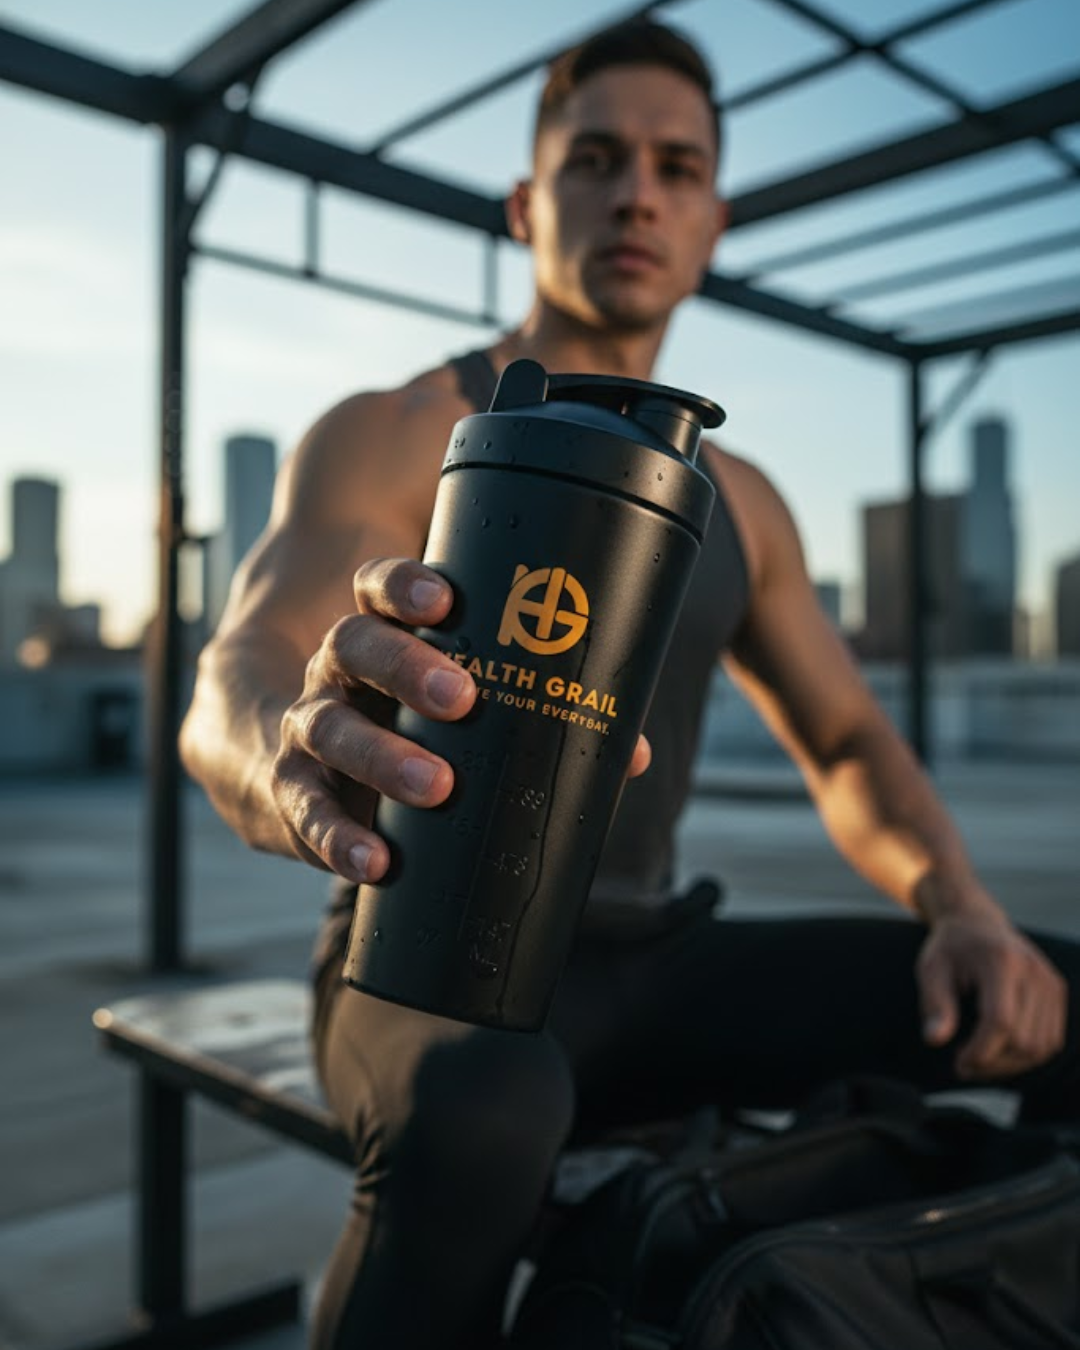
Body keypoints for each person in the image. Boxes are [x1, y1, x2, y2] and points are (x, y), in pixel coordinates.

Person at [180, 19, 1078, 1348]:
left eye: (675, 165)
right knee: (479, 1112)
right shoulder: (403, 432)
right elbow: (232, 677)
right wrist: (293, 757)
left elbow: (844, 742)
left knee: (1048, 992)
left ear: (713, 217)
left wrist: (961, 903)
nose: (636, 192)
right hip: (422, 965)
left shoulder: (745, 502)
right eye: (595, 158)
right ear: (530, 204)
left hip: (651, 957)